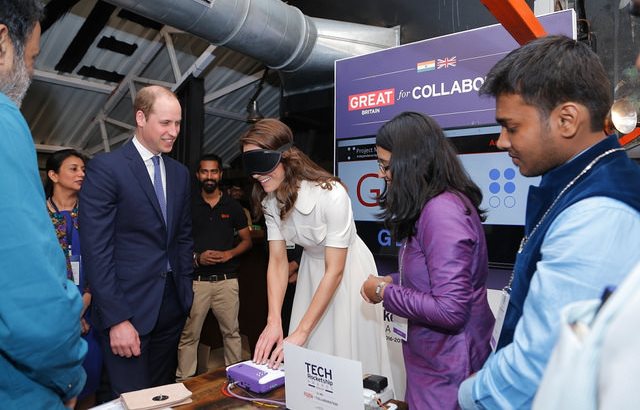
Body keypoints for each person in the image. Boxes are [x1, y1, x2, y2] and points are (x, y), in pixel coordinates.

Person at [457, 35, 640, 409]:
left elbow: (540, 363)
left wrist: (469, 395)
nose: (501, 141)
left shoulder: (598, 214)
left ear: (567, 120)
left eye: (511, 127)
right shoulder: (579, 182)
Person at [360, 112, 494, 409]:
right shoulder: (434, 206)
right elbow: (434, 278)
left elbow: (450, 310)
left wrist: (384, 292)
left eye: (385, 165)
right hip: (435, 362)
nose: (381, 174)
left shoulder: (441, 212)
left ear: (411, 162)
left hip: (451, 368)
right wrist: (393, 280)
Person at [242, 119, 392, 380]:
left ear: (286, 156)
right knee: (309, 356)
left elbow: (335, 270)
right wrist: (273, 319)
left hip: (347, 272)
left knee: (343, 351)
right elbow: (277, 262)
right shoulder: (270, 202)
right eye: (249, 165)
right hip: (312, 271)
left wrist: (302, 331)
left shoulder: (331, 194)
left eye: (261, 163)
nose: (256, 174)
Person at [79, 85, 194, 395]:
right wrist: (117, 319)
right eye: (166, 123)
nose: (174, 132)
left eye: (178, 123)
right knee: (128, 397)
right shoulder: (107, 168)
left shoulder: (180, 173)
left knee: (160, 396)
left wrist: (186, 293)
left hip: (172, 306)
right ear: (141, 118)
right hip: (127, 310)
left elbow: (182, 237)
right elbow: (96, 250)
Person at [0, 2, 87, 409]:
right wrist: (69, 379)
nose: (31, 72)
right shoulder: (4, 122)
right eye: (31, 57)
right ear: (3, 43)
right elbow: (32, 305)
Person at [176, 154, 252, 380]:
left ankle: (237, 381)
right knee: (189, 336)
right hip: (197, 283)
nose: (209, 176)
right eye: (205, 172)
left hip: (227, 282)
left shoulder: (233, 206)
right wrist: (197, 258)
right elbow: (177, 243)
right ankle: (185, 383)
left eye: (214, 172)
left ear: (220, 174)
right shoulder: (188, 206)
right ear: (198, 175)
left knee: (232, 334)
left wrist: (230, 253)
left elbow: (247, 240)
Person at [45, 149, 103, 409]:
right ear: (53, 175)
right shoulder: (37, 217)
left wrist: (84, 303)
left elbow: (101, 260)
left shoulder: (93, 214)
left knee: (90, 377)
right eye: (73, 168)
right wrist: (69, 312)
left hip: (90, 312)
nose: (82, 173)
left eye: (83, 169)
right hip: (50, 315)